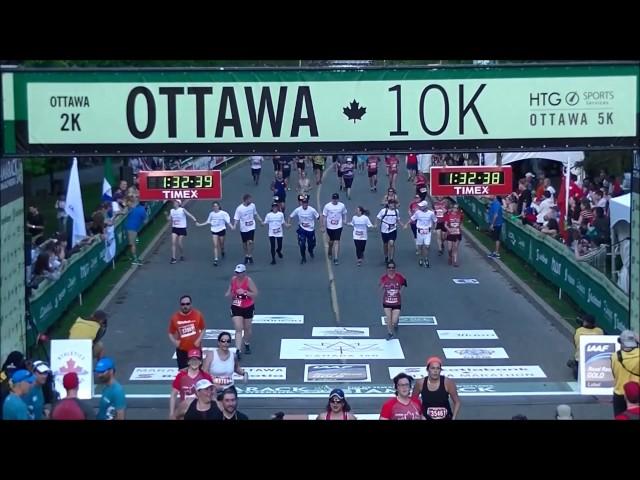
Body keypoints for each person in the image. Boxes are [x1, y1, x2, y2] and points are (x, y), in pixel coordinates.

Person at [169, 348, 213, 420]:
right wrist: (171, 413)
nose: (194, 362)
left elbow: (212, 395)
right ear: (188, 362)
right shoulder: (181, 376)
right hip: (184, 412)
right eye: (192, 360)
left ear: (200, 362)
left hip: (201, 413)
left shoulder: (206, 377)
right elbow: (173, 394)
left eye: (197, 360)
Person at [225, 264, 258, 357]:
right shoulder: (233, 279)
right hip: (236, 306)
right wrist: (229, 293)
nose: (238, 274)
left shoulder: (248, 281)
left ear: (244, 273)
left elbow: (255, 293)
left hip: (248, 306)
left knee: (247, 328)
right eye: (236, 272)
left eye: (239, 273)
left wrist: (244, 292)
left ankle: (246, 343)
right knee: (238, 327)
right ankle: (238, 349)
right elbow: (231, 288)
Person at [203, 331, 247, 401]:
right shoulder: (211, 355)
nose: (225, 343)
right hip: (214, 389)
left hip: (229, 387)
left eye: (228, 341)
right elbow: (204, 372)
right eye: (223, 341)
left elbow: (236, 368)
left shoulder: (233, 356)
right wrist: (213, 385)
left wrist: (244, 373)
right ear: (219, 342)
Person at [168, 295, 206, 369]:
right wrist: (175, 342)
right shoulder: (175, 317)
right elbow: (170, 332)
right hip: (182, 350)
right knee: (183, 373)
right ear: (180, 305)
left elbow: (203, 329)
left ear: (191, 304)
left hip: (195, 349)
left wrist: (198, 340)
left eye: (187, 304)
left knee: (197, 372)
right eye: (183, 304)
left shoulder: (198, 315)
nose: (185, 306)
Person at [611, 330, 639, 417]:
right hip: (636, 393)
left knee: (620, 417)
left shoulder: (614, 356)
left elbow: (614, 373)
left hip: (619, 394)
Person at [196, 201, 233, 266]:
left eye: (216, 206)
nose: (215, 207)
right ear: (212, 207)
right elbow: (207, 222)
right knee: (215, 245)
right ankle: (216, 259)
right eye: (214, 206)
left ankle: (222, 250)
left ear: (219, 206)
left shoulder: (223, 213)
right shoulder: (211, 214)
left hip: (221, 230)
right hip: (214, 230)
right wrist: (200, 224)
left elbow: (228, 221)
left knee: (221, 244)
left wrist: (232, 227)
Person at [567, 314, 604, 380]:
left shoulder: (579, 331)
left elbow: (576, 344)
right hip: (596, 359)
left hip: (580, 359)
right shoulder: (599, 331)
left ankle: (574, 365)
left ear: (585, 322)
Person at [232, 194, 263, 265]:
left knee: (250, 242)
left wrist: (260, 220)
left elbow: (255, 214)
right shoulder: (239, 208)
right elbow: (236, 218)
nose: (250, 201)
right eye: (249, 199)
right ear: (245, 200)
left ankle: (250, 255)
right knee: (244, 243)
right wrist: (234, 226)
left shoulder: (253, 206)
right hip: (243, 228)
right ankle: (246, 255)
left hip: (251, 226)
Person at [379, 261, 407, 340]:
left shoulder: (399, 277)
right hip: (387, 302)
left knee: (394, 321)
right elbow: (380, 287)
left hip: (397, 302)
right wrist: (382, 287)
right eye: (389, 268)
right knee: (388, 318)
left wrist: (400, 292)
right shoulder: (384, 278)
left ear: (395, 268)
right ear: (387, 269)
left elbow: (405, 283)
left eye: (393, 268)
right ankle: (390, 333)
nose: (391, 269)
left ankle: (396, 322)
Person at [289, 195, 320, 264]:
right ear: (302, 203)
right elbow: (291, 216)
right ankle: (303, 257)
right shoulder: (298, 210)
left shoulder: (312, 210)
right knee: (302, 244)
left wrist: (322, 226)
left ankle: (310, 250)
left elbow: (318, 217)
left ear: (307, 204)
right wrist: (288, 224)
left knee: (312, 244)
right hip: (302, 229)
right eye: (303, 203)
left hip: (310, 230)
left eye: (306, 203)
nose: (305, 204)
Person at [406, 200, 437, 268]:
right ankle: (420, 258)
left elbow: (435, 221)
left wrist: (434, 229)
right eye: (420, 206)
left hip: (427, 232)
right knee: (420, 247)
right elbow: (412, 219)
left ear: (425, 206)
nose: (420, 207)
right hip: (419, 232)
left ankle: (426, 259)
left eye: (421, 206)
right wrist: (406, 224)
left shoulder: (431, 213)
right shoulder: (417, 213)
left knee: (427, 246)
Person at [167, 199, 197, 264]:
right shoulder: (172, 211)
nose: (174, 203)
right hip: (174, 228)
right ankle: (173, 258)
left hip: (182, 228)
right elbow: (169, 218)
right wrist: (167, 217)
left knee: (179, 243)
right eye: (174, 202)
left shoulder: (182, 210)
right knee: (173, 242)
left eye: (175, 202)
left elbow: (189, 214)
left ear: (178, 204)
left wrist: (194, 219)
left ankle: (182, 255)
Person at [321, 193, 348, 266]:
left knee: (337, 241)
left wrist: (345, 220)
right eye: (333, 199)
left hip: (338, 226)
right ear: (332, 199)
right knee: (331, 242)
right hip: (330, 226)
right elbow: (324, 216)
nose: (335, 200)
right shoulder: (327, 206)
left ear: (338, 199)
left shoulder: (341, 205)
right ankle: (330, 249)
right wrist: (323, 226)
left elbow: (344, 213)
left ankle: (336, 258)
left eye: (336, 199)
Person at [376, 198, 400, 264]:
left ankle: (391, 259)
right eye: (391, 204)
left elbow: (397, 219)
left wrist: (402, 225)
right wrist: (376, 225)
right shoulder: (383, 211)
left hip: (393, 229)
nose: (392, 205)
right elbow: (378, 218)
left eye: (393, 204)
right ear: (388, 204)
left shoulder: (396, 211)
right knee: (385, 244)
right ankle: (386, 256)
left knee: (392, 243)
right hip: (384, 230)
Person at [126, 199, 147, 266]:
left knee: (134, 242)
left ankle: (134, 257)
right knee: (133, 244)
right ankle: (135, 259)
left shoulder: (135, 208)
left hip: (130, 227)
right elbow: (145, 221)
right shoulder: (143, 210)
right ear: (145, 204)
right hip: (132, 228)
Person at [443, 203, 464, 267]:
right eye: (454, 208)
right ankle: (450, 256)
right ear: (452, 208)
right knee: (449, 249)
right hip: (450, 233)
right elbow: (445, 225)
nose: (456, 209)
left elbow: (461, 223)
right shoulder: (448, 215)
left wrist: (460, 228)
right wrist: (449, 230)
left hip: (457, 233)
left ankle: (455, 261)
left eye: (457, 208)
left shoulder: (460, 215)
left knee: (455, 248)